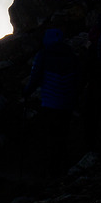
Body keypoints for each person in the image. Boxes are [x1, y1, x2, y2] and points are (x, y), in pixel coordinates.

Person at [23, 28, 81, 176]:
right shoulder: (71, 55)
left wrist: (25, 93)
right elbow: (78, 79)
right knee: (63, 135)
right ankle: (65, 167)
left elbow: (35, 77)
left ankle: (52, 171)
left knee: (51, 137)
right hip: (67, 103)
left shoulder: (43, 55)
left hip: (50, 102)